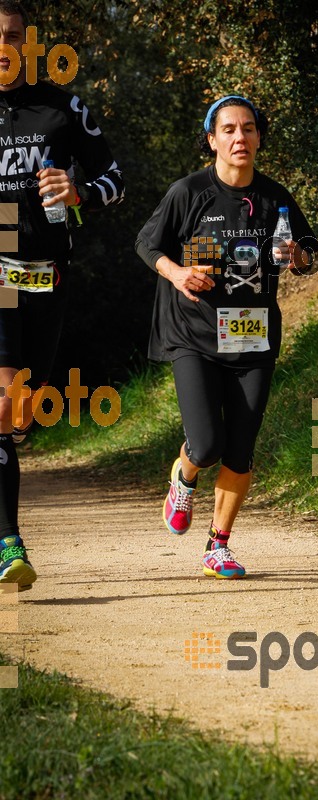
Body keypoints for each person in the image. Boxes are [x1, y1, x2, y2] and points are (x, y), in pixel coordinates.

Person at [136, 94, 318, 579]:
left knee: (241, 448)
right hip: (194, 334)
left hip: (254, 341)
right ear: (212, 139)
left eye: (249, 128)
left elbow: (309, 254)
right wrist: (175, 273)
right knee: (209, 442)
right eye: (230, 129)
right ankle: (186, 473)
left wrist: (296, 256)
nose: (241, 137)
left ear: (259, 137)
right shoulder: (189, 191)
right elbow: (146, 242)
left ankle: (218, 546)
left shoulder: (276, 198)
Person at [0, 1, 124, 590]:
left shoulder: (61, 106)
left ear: (26, 42)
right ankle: (8, 543)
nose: (2, 45)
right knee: (2, 404)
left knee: (24, 406)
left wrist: (78, 194)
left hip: (47, 271)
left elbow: (115, 180)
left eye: (11, 36)